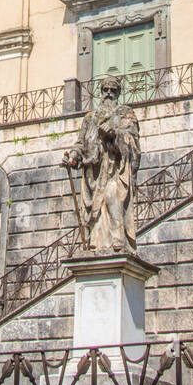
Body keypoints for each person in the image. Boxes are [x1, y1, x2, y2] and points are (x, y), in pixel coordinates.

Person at [62, 76, 141, 253]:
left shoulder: (125, 114)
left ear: (119, 93)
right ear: (101, 93)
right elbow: (81, 143)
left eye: (113, 91)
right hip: (94, 172)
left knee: (112, 197)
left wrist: (114, 134)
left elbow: (133, 141)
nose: (109, 94)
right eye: (106, 90)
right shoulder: (90, 117)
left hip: (115, 168)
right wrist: (73, 157)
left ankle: (118, 241)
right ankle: (96, 243)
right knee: (97, 213)